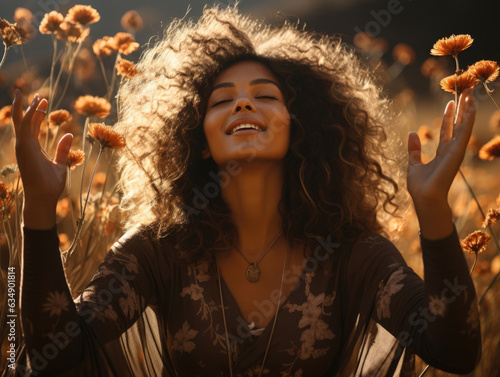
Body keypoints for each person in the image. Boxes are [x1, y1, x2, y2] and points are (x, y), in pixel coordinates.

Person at [6, 5, 481, 377]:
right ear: (200, 138)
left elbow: (455, 350)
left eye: (266, 95)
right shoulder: (158, 250)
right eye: (223, 100)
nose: (244, 102)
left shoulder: (352, 252)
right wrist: (39, 215)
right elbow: (54, 357)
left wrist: (435, 208)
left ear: (301, 128)